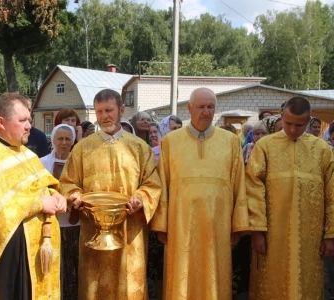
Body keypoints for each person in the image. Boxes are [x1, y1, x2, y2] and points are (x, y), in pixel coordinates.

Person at [0, 93, 67, 300]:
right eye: (22, 120)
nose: (29, 126)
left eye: (29, 120)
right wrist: (38, 203)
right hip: (10, 253)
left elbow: (44, 184)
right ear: (1, 122)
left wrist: (55, 195)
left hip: (36, 248)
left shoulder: (25, 153)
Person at [60, 88, 162, 300]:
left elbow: (153, 184)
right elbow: (68, 182)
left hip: (129, 230)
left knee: (128, 287)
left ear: (121, 110)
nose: (104, 116)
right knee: (94, 286)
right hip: (92, 231)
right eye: (99, 112)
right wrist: (75, 196)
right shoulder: (82, 149)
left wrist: (141, 199)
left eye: (109, 110)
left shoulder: (139, 148)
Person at [151, 87, 249, 299]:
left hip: (218, 225)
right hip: (180, 226)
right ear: (189, 109)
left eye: (210, 107)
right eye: (201, 107)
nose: (206, 111)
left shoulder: (230, 141)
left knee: (215, 275)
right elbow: (163, 185)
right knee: (181, 278)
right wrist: (161, 224)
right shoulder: (170, 142)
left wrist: (237, 225)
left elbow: (239, 183)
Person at [246, 96, 334, 299]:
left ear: (309, 120)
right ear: (282, 116)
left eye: (299, 125)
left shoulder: (322, 151)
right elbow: (252, 188)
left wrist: (330, 234)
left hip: (310, 239)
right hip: (272, 236)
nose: (293, 129)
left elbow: (331, 193)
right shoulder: (265, 147)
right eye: (288, 123)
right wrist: (257, 230)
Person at [40, 124, 79, 300]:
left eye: (68, 139)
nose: (64, 143)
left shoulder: (79, 162)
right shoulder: (42, 163)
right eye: (60, 139)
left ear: (73, 141)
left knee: (71, 266)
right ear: (53, 140)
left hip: (73, 223)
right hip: (49, 223)